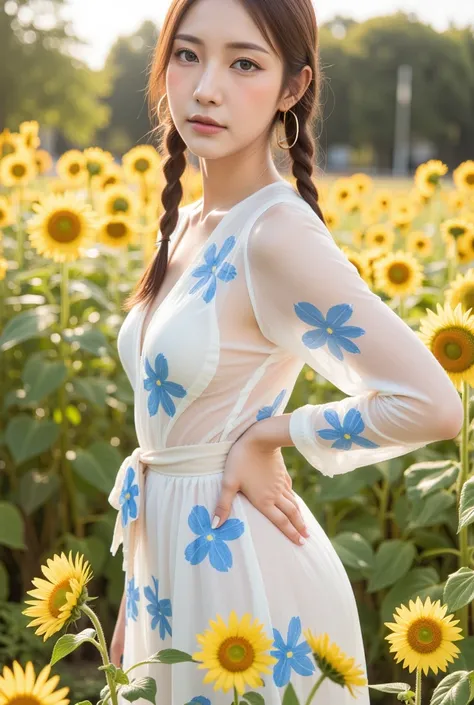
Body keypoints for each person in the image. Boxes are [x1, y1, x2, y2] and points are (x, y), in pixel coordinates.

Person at [107, 0, 464, 702]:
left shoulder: (275, 235)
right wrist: (135, 596)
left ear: (293, 87)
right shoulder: (187, 224)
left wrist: (273, 433)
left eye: (244, 63)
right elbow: (166, 438)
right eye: (188, 55)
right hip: (169, 570)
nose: (207, 86)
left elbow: (433, 403)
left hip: (240, 576)